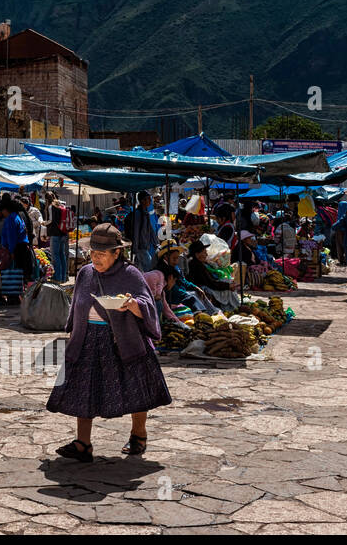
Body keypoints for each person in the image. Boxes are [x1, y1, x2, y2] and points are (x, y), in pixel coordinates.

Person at [46, 223, 171, 461]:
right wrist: (73, 332)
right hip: (88, 338)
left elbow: (146, 303)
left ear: (117, 253)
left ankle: (138, 434)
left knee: (135, 387)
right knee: (84, 389)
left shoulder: (130, 274)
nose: (96, 258)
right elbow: (77, 305)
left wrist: (134, 306)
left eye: (102, 254)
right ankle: (83, 443)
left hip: (123, 338)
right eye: (93, 253)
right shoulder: (85, 273)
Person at [153, 240, 218, 315]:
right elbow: (166, 293)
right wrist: (168, 288)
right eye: (174, 258)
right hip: (172, 300)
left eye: (177, 258)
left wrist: (195, 287)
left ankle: (211, 314)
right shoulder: (160, 272)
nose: (176, 262)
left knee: (198, 293)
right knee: (192, 297)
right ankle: (202, 314)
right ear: (165, 257)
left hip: (182, 295)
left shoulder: (175, 268)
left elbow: (183, 281)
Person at [185, 239, 241, 310]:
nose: (206, 255)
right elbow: (211, 283)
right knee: (228, 284)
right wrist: (228, 286)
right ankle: (234, 307)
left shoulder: (198, 263)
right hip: (202, 288)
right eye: (204, 253)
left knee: (227, 281)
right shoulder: (197, 265)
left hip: (206, 285)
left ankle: (236, 305)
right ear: (197, 255)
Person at [0, 197, 32, 305]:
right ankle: (15, 295)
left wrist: (12, 251)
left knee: (14, 271)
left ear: (6, 210)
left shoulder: (11, 219)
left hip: (17, 248)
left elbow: (11, 237)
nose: (1, 212)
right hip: (21, 247)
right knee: (17, 272)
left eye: (2, 210)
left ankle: (13, 296)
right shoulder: (17, 216)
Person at [122, 191, 159, 272]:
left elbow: (150, 229)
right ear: (142, 201)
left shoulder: (145, 212)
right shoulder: (138, 214)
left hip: (145, 246)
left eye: (150, 199)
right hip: (140, 247)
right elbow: (136, 231)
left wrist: (156, 243)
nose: (150, 201)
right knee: (149, 269)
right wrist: (134, 248)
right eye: (148, 199)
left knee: (138, 269)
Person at [46, 192, 69, 283]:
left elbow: (51, 220)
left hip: (55, 234)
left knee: (55, 256)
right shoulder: (61, 204)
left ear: (47, 199)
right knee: (61, 255)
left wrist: (43, 223)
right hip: (63, 233)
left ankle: (57, 277)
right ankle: (63, 277)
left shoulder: (51, 206)